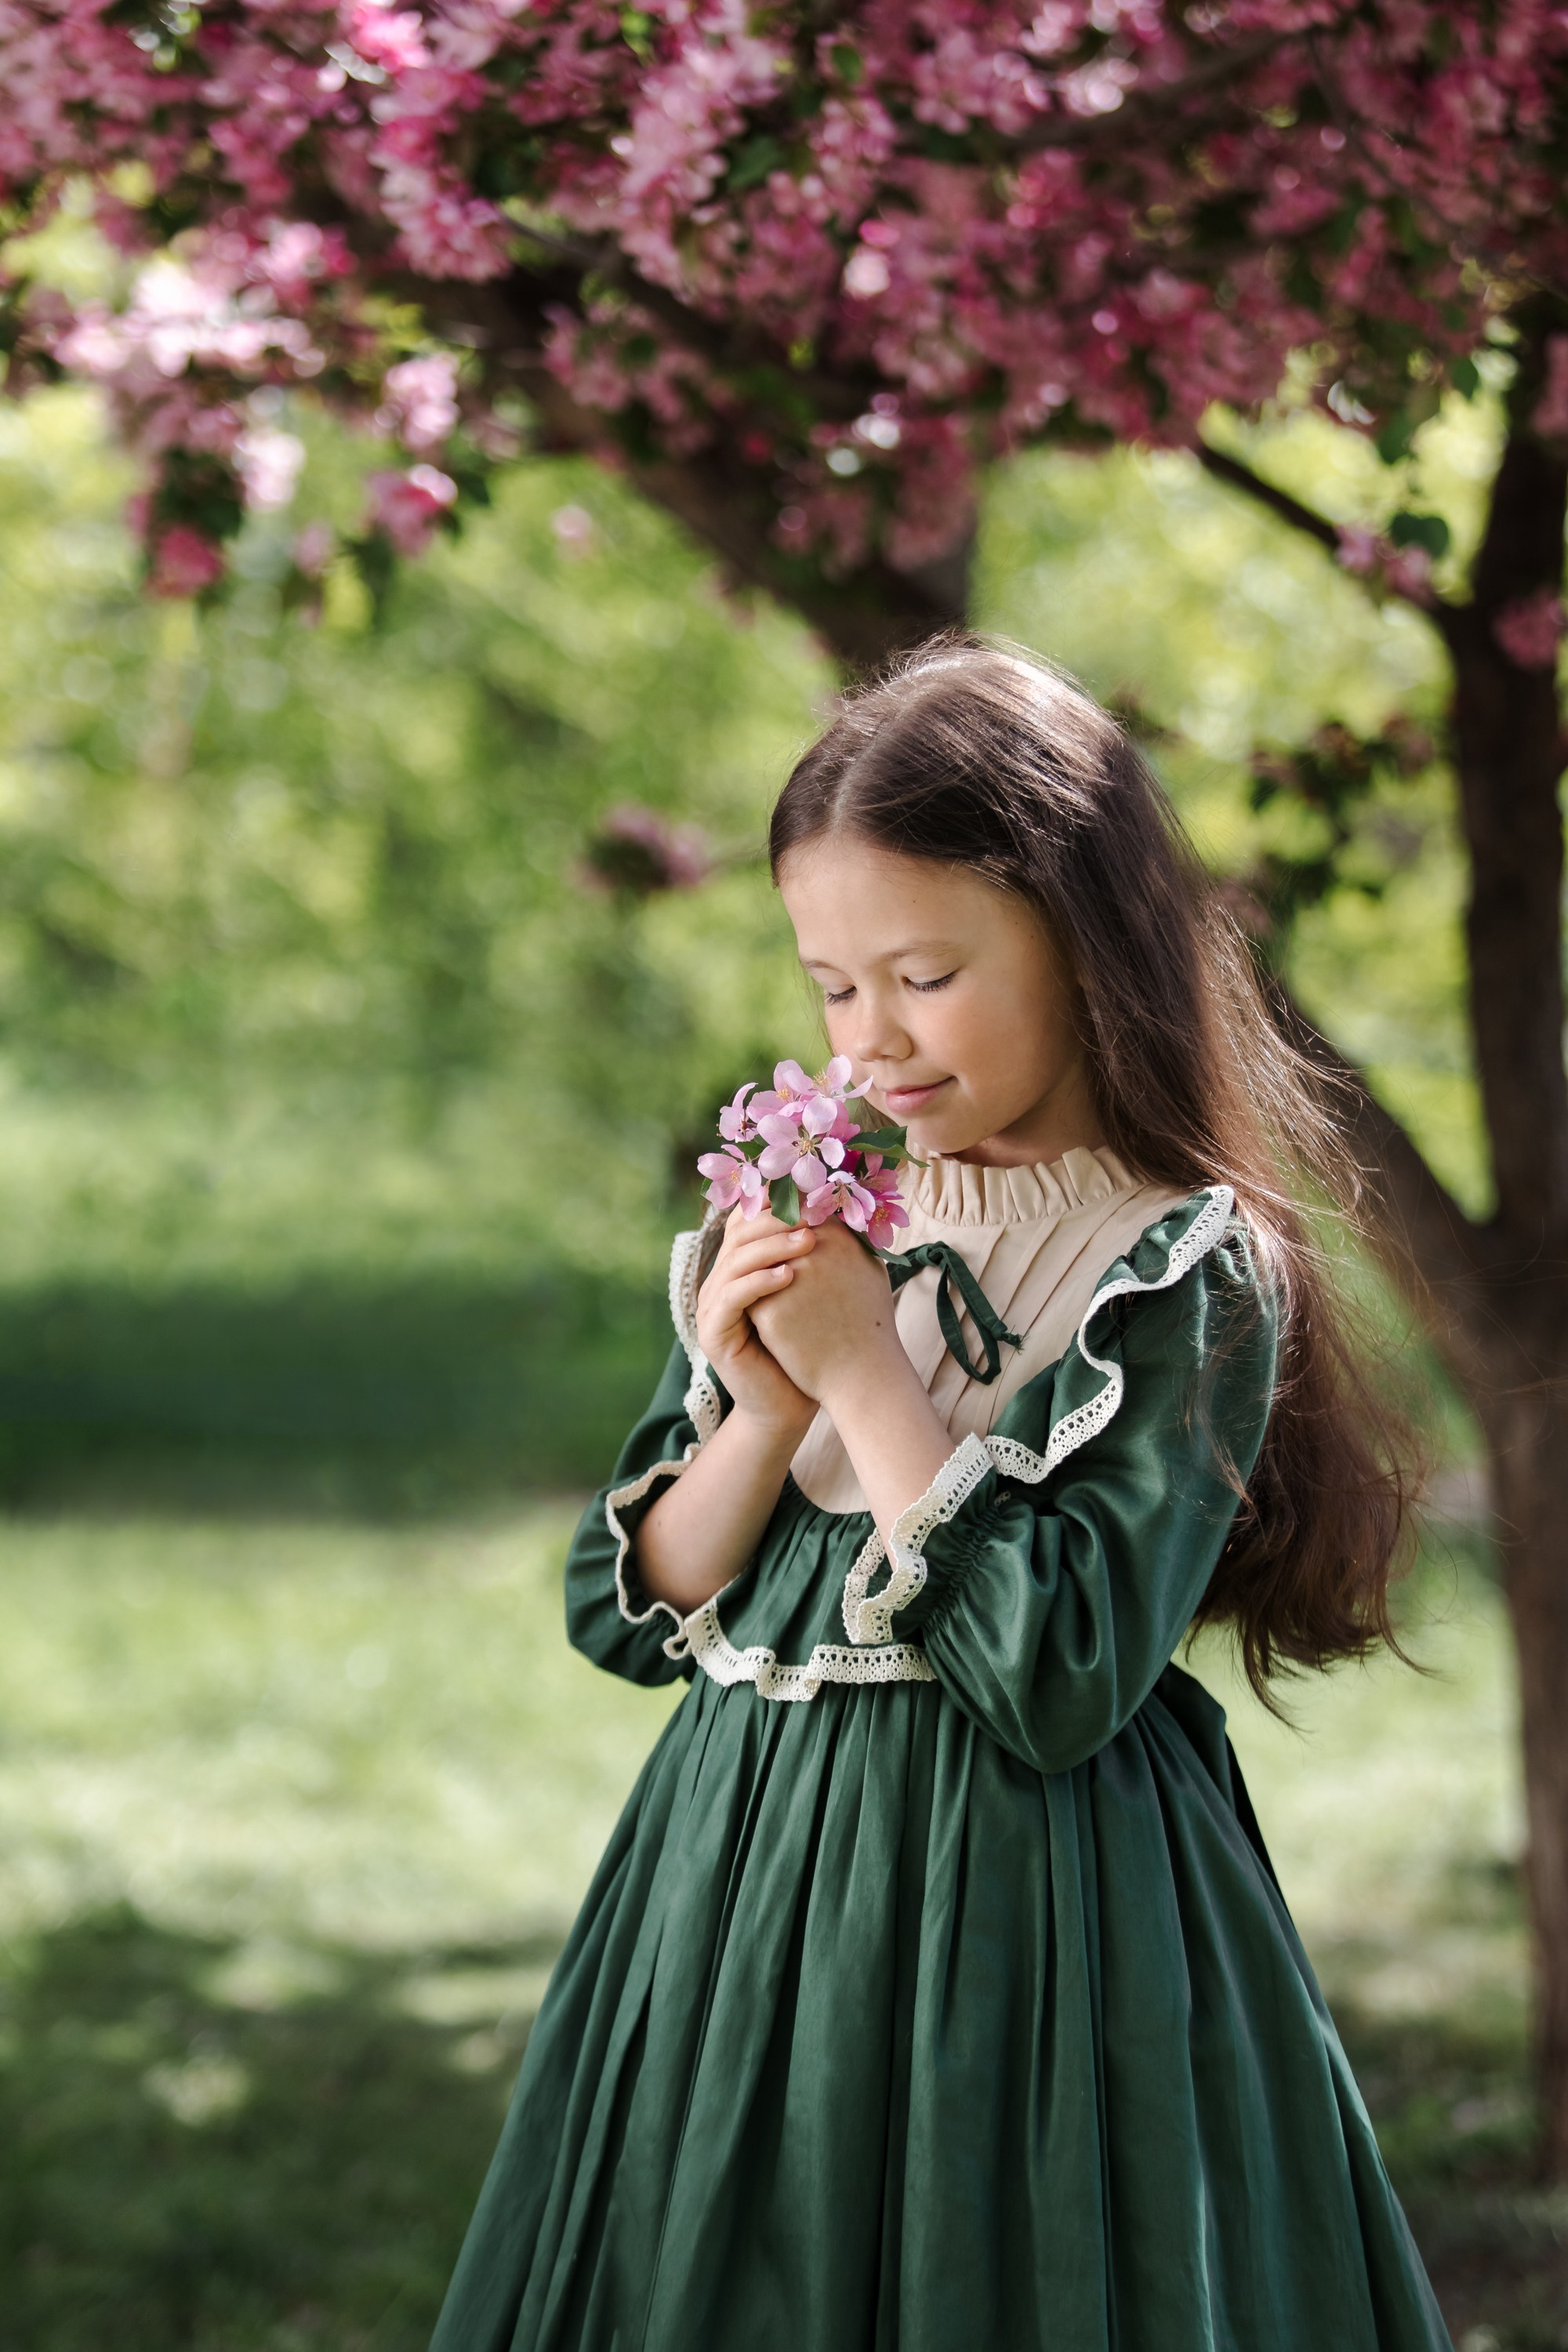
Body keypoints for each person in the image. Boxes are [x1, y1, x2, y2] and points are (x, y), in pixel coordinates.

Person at [431, 638, 1452, 2352]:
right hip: (737, 1899)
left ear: (1085, 939)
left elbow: (1056, 1674)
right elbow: (627, 1610)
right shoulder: (817, 1217)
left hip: (1031, 1930)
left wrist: (866, 1377)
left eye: (923, 975)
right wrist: (765, 1406)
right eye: (833, 988)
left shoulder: (1175, 1271)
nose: (873, 1041)